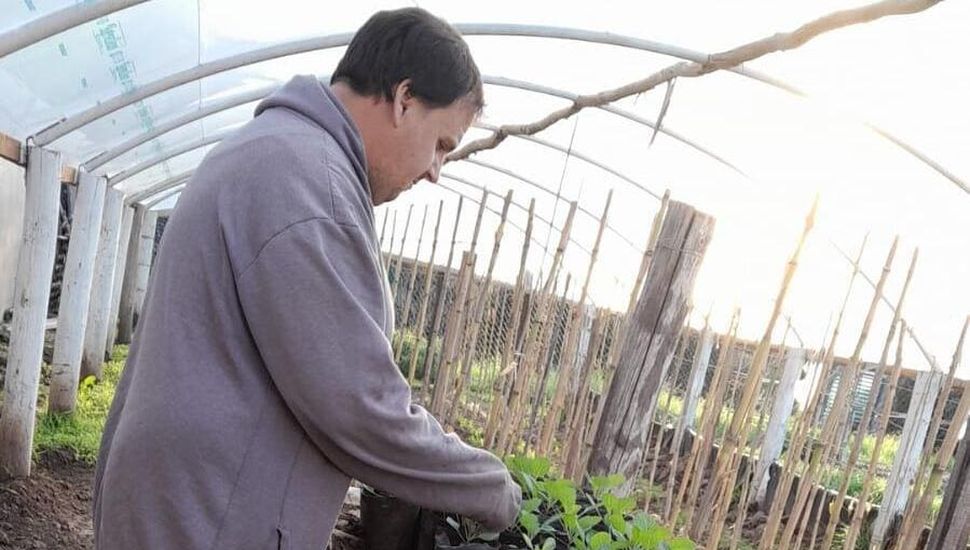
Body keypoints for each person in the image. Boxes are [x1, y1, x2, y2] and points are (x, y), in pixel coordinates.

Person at [92, 8, 522, 549]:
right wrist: (491, 487)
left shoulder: (278, 152)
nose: (436, 170)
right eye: (441, 144)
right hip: (208, 517)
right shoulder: (308, 186)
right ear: (404, 98)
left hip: (188, 502)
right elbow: (356, 405)